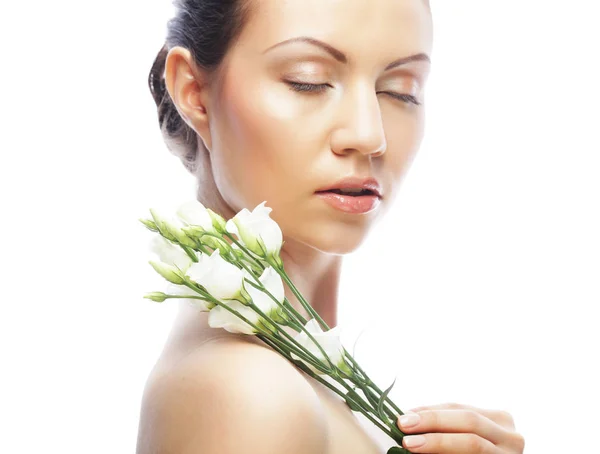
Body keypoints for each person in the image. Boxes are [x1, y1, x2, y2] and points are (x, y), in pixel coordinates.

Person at [137, 0, 525, 453]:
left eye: (400, 90)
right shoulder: (248, 394)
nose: (369, 135)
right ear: (194, 92)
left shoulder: (293, 382)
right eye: (309, 80)